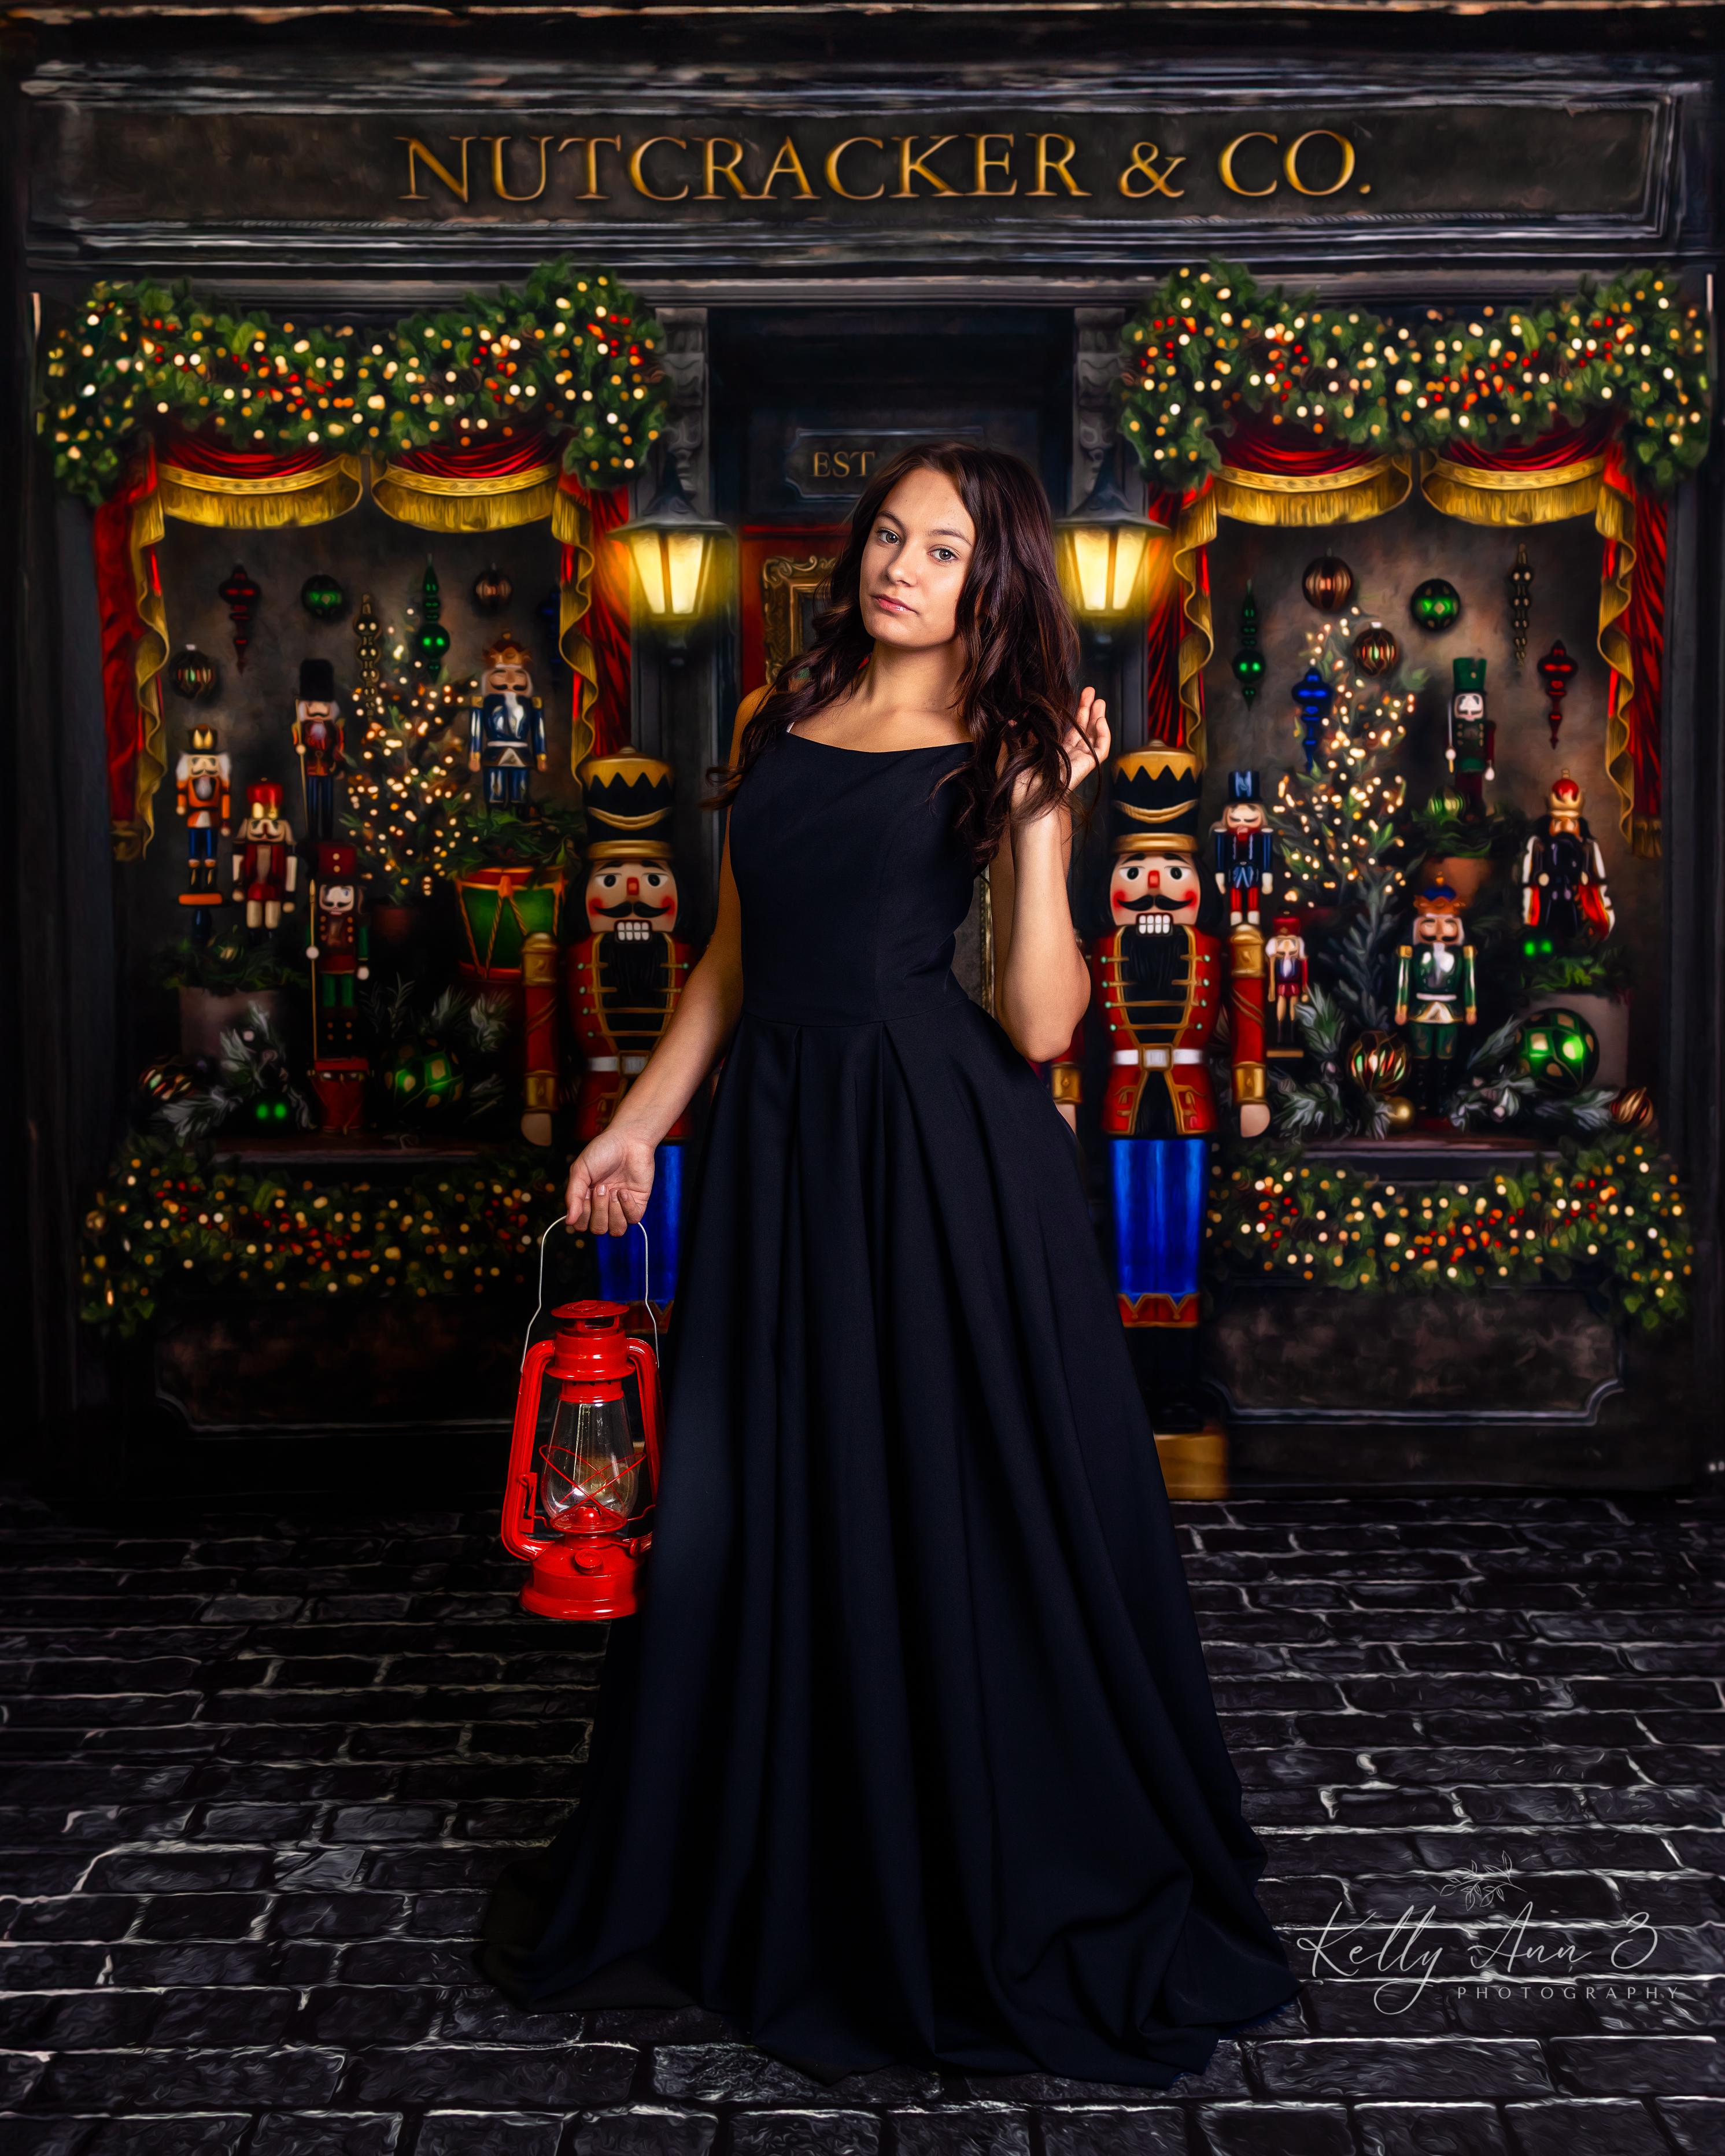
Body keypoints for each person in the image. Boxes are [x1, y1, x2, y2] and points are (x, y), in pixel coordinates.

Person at [477, 442, 1299, 2085]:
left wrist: (1050, 809)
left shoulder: (1002, 747)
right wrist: (639, 1126)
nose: (899, 565)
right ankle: (777, 1834)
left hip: (930, 1148)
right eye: (886, 535)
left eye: (942, 547)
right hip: (779, 1143)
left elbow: (1050, 1024)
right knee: (762, 1482)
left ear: (994, 581)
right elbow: (729, 954)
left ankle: (968, 1851)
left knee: (942, 1487)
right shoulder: (780, 716)